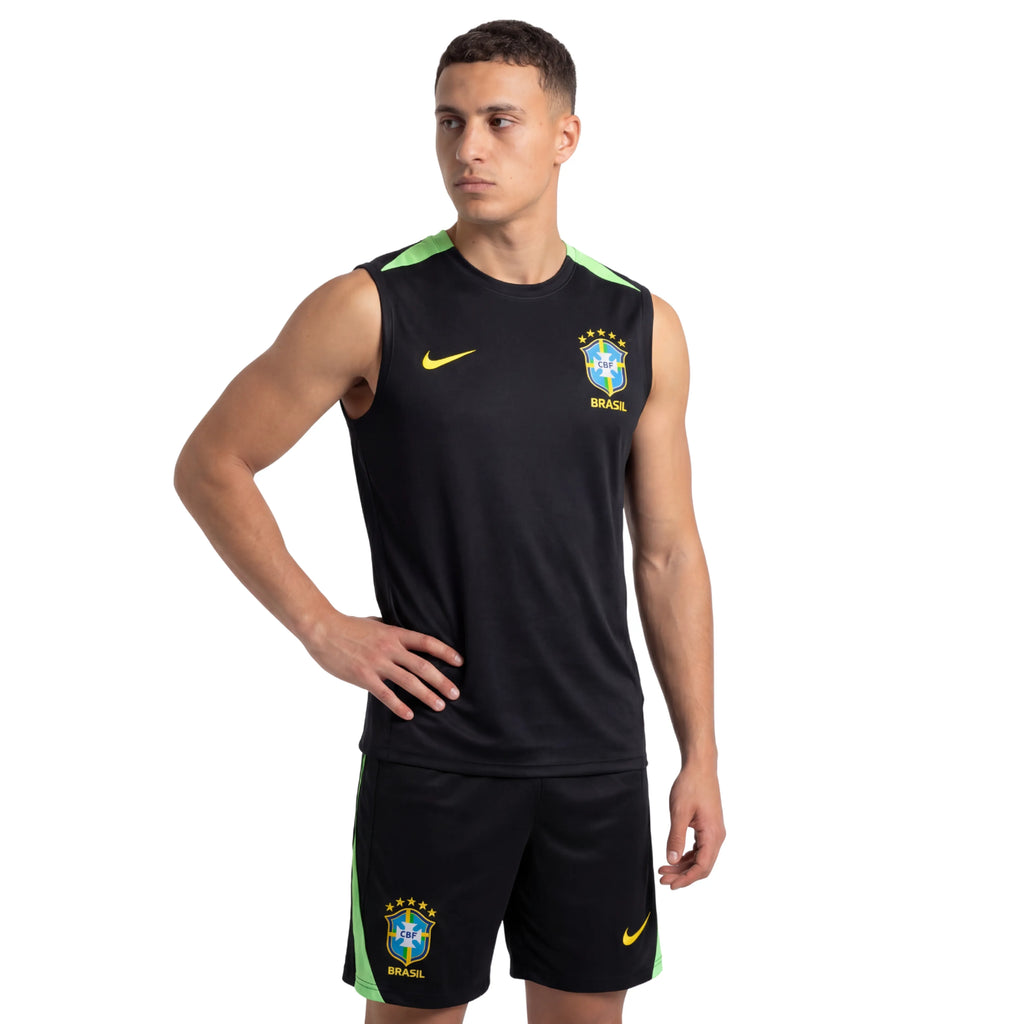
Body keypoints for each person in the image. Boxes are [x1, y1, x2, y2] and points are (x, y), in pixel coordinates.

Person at [174, 19, 724, 1024]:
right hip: (437, 753)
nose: (468, 148)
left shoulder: (640, 323)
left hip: (595, 755)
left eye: (499, 121)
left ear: (565, 136)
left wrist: (702, 751)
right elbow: (212, 463)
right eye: (449, 121)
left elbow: (667, 552)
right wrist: (321, 626)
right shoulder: (370, 305)